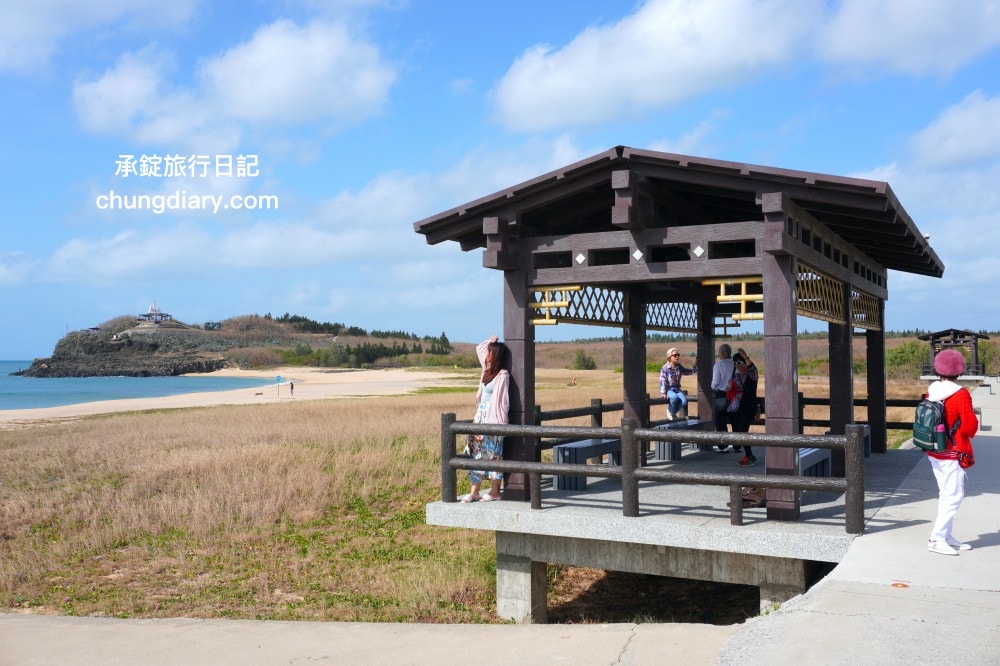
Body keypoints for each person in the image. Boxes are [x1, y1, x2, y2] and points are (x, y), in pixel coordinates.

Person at [924, 349, 979, 555]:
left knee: (945, 494)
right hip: (952, 451)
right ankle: (936, 539)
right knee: (954, 496)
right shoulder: (960, 393)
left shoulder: (933, 389)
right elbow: (969, 428)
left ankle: (946, 535)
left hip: (935, 450)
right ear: (959, 371)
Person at [460, 335, 510, 503]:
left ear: (495, 355)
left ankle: (495, 491)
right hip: (480, 418)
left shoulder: (502, 375)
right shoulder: (486, 372)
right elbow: (479, 348)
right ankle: (474, 492)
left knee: (493, 455)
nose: (486, 354)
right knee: (477, 455)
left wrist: (499, 425)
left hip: (493, 419)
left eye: (490, 352)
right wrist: (491, 340)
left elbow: (502, 402)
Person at [726, 351, 759, 466]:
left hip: (747, 407)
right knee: (740, 432)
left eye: (739, 362)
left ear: (745, 362)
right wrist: (729, 388)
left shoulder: (751, 375)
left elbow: (753, 368)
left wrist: (745, 355)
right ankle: (749, 455)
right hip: (736, 407)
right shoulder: (736, 376)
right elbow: (729, 390)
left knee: (743, 431)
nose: (737, 365)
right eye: (735, 363)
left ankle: (750, 456)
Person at [710, 343, 739, 452]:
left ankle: (723, 446)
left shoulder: (718, 365)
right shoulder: (735, 364)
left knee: (721, 421)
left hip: (721, 395)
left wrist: (712, 386)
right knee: (735, 420)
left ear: (722, 353)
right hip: (734, 395)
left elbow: (715, 383)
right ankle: (737, 445)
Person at [659, 347, 696, 421]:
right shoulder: (665, 368)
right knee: (674, 397)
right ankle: (670, 411)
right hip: (669, 389)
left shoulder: (679, 367)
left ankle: (671, 412)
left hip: (677, 389)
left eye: (678, 355)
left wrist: (695, 365)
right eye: (675, 355)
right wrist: (663, 392)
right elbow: (662, 380)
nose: (677, 356)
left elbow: (688, 371)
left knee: (684, 401)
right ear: (669, 357)